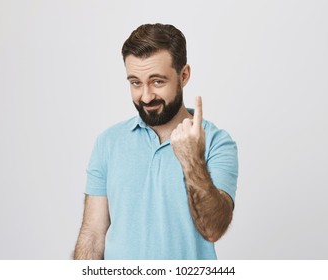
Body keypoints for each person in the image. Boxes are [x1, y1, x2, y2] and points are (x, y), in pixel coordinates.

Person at [74, 23, 238, 260]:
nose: (146, 96)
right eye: (135, 83)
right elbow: (92, 236)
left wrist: (192, 160)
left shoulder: (216, 142)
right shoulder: (108, 142)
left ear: (184, 75)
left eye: (157, 82)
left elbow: (212, 229)